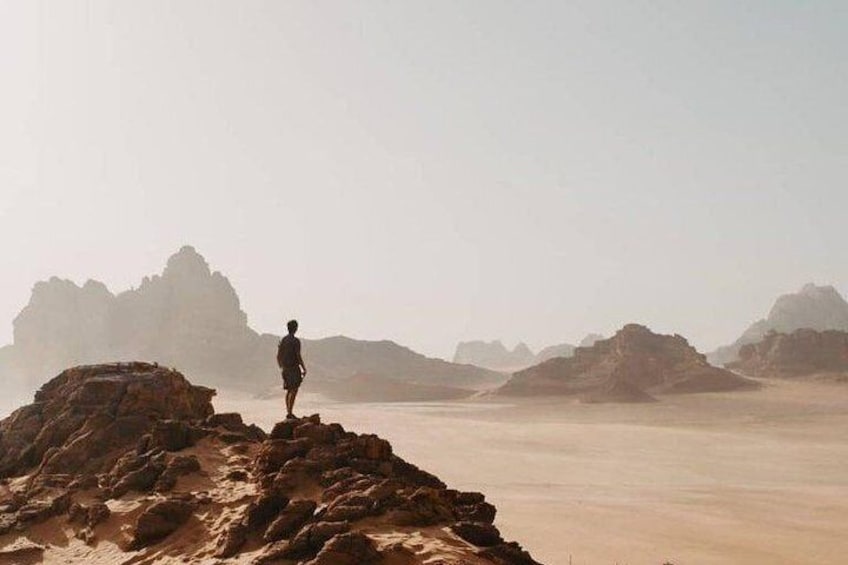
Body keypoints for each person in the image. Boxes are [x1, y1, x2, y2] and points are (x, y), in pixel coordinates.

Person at [277, 319, 307, 419]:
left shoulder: (283, 340)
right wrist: (303, 368)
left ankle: (289, 411)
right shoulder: (295, 341)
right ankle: (290, 412)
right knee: (293, 390)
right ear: (295, 328)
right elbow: (298, 355)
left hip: (285, 368)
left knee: (289, 390)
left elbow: (278, 355)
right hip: (293, 368)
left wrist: (281, 366)